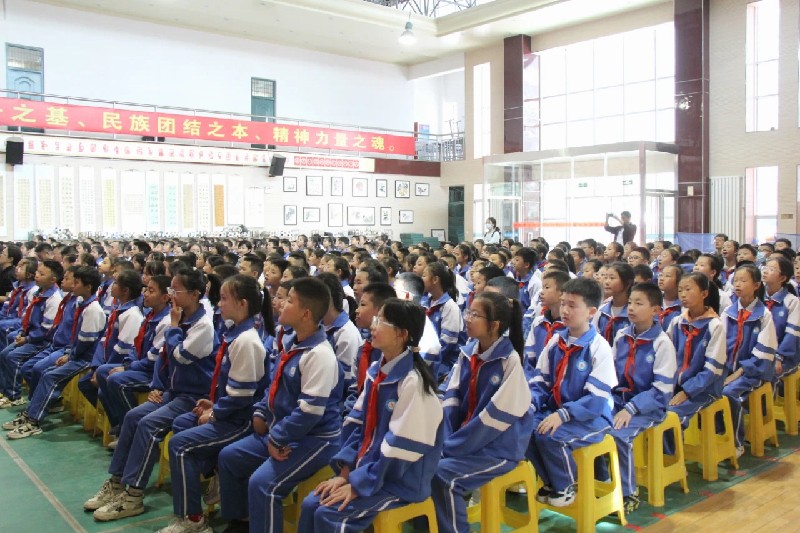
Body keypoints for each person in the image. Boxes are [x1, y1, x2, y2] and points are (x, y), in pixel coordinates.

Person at [299, 298, 443, 533]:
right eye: (376, 320)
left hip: (399, 481)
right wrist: (346, 474)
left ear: (402, 334)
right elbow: (359, 427)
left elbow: (400, 452)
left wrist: (359, 484)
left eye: (382, 322)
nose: (373, 327)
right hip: (370, 472)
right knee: (311, 504)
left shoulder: (413, 384)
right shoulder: (377, 372)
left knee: (329, 514)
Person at [85, 268, 216, 522]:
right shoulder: (182, 319)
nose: (172, 295)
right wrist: (158, 385)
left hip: (192, 397)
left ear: (194, 294)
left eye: (175, 290)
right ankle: (117, 482)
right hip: (172, 391)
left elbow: (178, 355)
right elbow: (163, 358)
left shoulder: (202, 326)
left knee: (148, 424)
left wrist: (174, 327)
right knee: (133, 417)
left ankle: (133, 495)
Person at [216, 277, 343, 533]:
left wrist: (277, 438)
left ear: (306, 313)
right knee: (229, 457)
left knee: (263, 484)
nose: (281, 304)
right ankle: (242, 521)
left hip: (314, 439)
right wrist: (261, 412)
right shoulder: (292, 342)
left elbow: (309, 412)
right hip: (283, 431)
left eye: (290, 301)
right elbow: (273, 385)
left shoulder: (320, 355)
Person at [158, 275, 270, 533]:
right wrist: (212, 404)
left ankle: (193, 519)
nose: (219, 304)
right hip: (229, 410)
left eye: (224, 299)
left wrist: (214, 413)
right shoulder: (236, 334)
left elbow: (242, 397)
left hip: (240, 420)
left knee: (180, 446)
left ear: (242, 304)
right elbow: (232, 389)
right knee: (182, 422)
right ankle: (215, 471)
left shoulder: (247, 341)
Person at [431, 292, 533, 533]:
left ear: (494, 325)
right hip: (465, 440)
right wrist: (445, 441)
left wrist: (452, 447)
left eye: (475, 315)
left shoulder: (509, 361)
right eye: (468, 312)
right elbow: (451, 401)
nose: (467, 318)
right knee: (423, 461)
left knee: (443, 476)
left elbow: (494, 420)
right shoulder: (468, 353)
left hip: (499, 448)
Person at [527, 277, 617, 507]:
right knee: (524, 428)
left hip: (593, 417)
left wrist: (563, 414)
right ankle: (551, 481)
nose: (565, 310)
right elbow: (540, 382)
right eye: (563, 304)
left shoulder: (599, 347)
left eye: (573, 305)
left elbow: (596, 400)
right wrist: (532, 404)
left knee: (550, 436)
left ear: (591, 312)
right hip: (559, 411)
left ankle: (567, 484)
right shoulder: (556, 341)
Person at [5, 267, 106, 438]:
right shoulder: (82, 304)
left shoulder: (93, 309)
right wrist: (68, 352)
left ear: (88, 287)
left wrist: (69, 356)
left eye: (77, 282)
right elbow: (76, 338)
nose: (73, 285)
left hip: (85, 358)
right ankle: (31, 412)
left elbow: (86, 342)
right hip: (74, 353)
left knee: (50, 377)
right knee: (44, 372)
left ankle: (34, 421)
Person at [609, 282, 676, 512]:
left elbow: (661, 390)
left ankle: (629, 493)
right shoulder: (621, 336)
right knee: (592, 424)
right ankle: (602, 480)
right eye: (630, 302)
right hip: (621, 401)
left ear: (655, 310)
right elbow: (611, 376)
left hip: (650, 407)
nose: (631, 308)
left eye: (639, 303)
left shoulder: (662, 343)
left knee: (620, 435)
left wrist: (632, 408)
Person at [103, 275, 172, 446]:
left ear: (165, 297)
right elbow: (136, 346)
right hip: (140, 366)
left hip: (151, 374)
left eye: (151, 291)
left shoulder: (166, 322)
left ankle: (129, 432)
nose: (145, 294)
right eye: (146, 289)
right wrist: (128, 364)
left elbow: (153, 359)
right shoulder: (150, 316)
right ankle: (120, 426)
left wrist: (128, 368)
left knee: (116, 380)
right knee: (103, 372)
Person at [721, 264, 777, 456]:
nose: (737, 284)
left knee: (729, 393)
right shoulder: (728, 313)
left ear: (756, 285)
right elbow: (719, 345)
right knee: (707, 390)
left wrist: (736, 374)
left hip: (754, 372)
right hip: (729, 369)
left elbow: (763, 354)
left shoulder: (764, 315)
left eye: (743, 281)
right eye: (735, 280)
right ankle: (719, 435)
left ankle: (736, 443)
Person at [0, 260, 64, 408]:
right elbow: (28, 317)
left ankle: (14, 396)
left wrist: (27, 338)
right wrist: (22, 332)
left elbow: (47, 330)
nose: (37, 276)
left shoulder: (54, 299)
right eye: (37, 272)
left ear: (53, 280)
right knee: (4, 354)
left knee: (13, 357)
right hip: (32, 336)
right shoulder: (38, 292)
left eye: (42, 274)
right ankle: (6, 391)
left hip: (44, 341)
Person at [421, 262, 464, 381]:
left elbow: (447, 343)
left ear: (435, 280)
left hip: (444, 362)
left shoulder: (450, 307)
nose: (421, 279)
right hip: (426, 354)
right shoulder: (425, 302)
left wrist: (424, 361)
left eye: (424, 275)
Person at [762, 256, 800, 382]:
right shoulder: (758, 298)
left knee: (764, 375)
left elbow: (792, 334)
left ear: (783, 278)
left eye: (772, 269)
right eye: (765, 267)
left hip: (785, 357)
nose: (765, 271)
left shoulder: (792, 302)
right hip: (759, 354)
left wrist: (779, 357)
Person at [523, 270, 569, 372]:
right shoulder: (538, 323)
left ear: (562, 293)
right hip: (535, 379)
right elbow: (529, 358)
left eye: (547, 288)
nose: (541, 292)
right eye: (542, 287)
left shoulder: (569, 327)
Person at [593, 262, 635, 345]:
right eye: (605, 277)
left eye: (612, 278)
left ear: (628, 283)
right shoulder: (602, 311)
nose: (606, 282)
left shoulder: (634, 312)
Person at [658, 265, 683, 330]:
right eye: (660, 275)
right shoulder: (653, 301)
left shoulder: (683, 305)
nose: (661, 278)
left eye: (667, 276)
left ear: (679, 281)